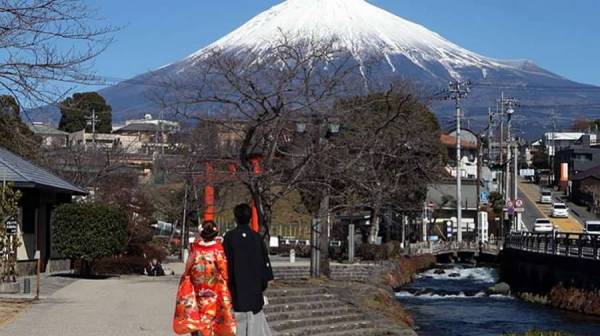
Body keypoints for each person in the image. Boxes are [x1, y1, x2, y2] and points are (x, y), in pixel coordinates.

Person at [224, 203, 274, 336]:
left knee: (238, 326)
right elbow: (265, 264)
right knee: (254, 326)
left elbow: (224, 264)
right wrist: (263, 283)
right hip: (254, 290)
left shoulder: (229, 237)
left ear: (235, 218)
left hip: (235, 289)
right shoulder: (257, 238)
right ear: (251, 218)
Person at [183, 221, 236, 336]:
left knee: (197, 318)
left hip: (196, 291)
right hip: (213, 292)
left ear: (201, 233)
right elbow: (224, 272)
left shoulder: (195, 249)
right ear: (215, 233)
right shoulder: (218, 249)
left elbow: (187, 269)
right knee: (210, 321)